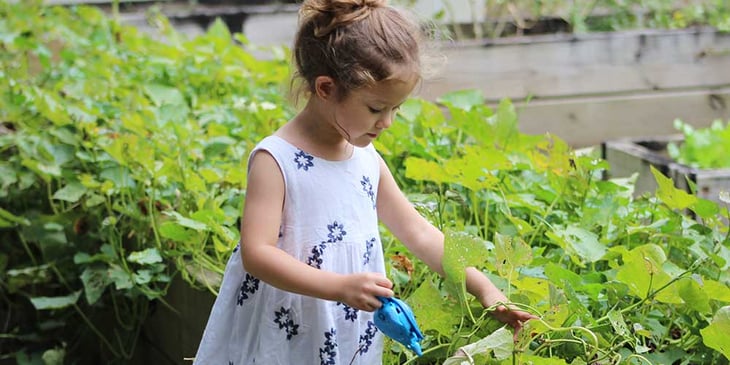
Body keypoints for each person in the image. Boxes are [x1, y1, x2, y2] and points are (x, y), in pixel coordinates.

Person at [192, 0, 535, 363]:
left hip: (344, 328)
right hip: (288, 330)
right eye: (376, 108)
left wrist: (484, 287)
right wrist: (338, 287)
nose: (387, 122)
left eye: (395, 109)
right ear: (326, 88)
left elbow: (418, 233)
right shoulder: (276, 160)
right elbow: (257, 254)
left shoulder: (366, 161)